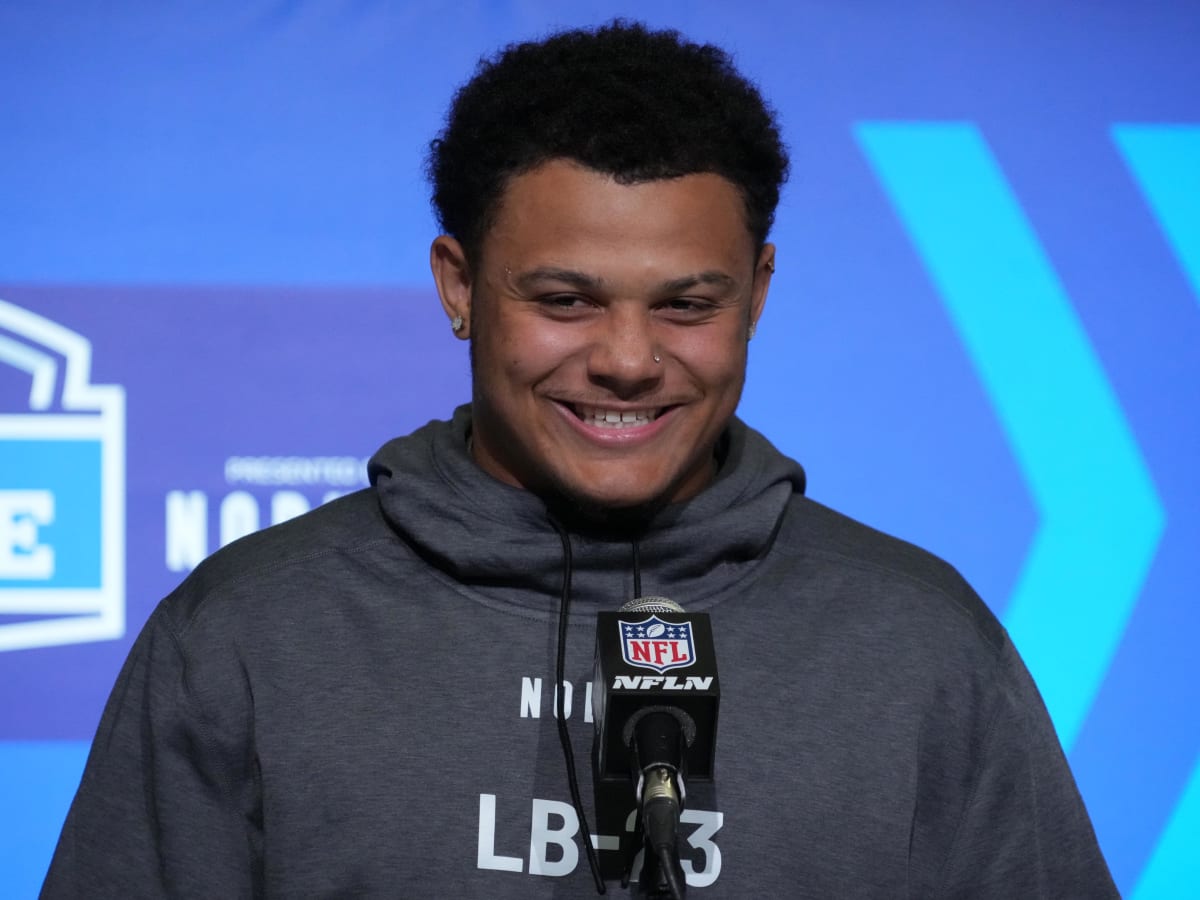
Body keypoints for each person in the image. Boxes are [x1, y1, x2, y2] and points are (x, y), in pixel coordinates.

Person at [43, 20, 1118, 899]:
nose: (627, 361)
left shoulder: (919, 643)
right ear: (459, 287)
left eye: (689, 306)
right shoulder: (248, 635)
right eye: (564, 302)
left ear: (759, 294)